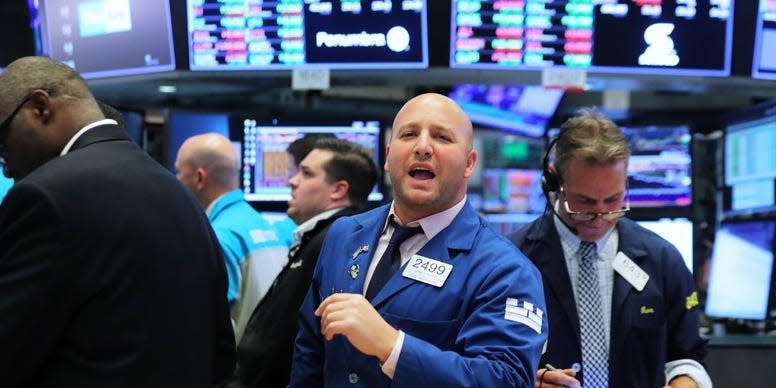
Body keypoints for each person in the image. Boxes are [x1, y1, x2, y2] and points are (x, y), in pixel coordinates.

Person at [0, 56, 234, 385]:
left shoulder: (44, 196)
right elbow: (221, 352)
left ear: (40, 107)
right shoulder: (180, 195)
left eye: (2, 139)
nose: (6, 166)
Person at [290, 93, 548, 387]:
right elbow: (309, 354)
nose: (423, 147)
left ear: (469, 162)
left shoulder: (505, 270)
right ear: (388, 156)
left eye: (442, 137)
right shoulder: (344, 234)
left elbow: (506, 380)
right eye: (409, 134)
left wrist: (393, 347)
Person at [508, 108, 711, 388]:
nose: (600, 216)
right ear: (554, 181)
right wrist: (530, 382)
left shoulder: (662, 259)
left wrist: (686, 382)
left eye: (613, 200)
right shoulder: (513, 260)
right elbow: (485, 364)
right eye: (585, 202)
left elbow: (689, 356)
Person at [230, 137, 379, 387]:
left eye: (306, 173)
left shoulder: (335, 241)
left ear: (338, 190)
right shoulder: (320, 236)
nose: (292, 180)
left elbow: (295, 338)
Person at [175, 133, 289, 342]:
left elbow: (204, 324)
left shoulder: (216, 237)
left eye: (179, 172)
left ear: (200, 177)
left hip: (236, 369)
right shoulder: (267, 226)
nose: (176, 180)